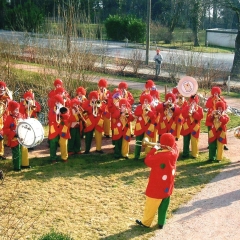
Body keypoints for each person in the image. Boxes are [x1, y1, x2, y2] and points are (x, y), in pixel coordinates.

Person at [136, 133, 179, 229]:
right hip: (168, 186)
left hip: (156, 187)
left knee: (151, 206)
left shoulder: (160, 156)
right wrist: (165, 145)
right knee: (164, 205)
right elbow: (175, 145)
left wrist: (154, 148)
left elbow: (147, 160)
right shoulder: (174, 153)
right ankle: (161, 222)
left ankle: (146, 223)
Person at [3, 101, 29, 171]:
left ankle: (24, 164)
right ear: (11, 110)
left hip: (21, 137)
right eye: (16, 110)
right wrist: (13, 133)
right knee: (16, 153)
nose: (17, 111)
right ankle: (17, 167)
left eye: (18, 109)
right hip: (14, 138)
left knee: (23, 150)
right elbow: (5, 129)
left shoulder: (20, 115)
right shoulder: (9, 118)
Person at [48, 94, 70, 163]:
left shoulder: (65, 108)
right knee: (53, 143)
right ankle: (53, 158)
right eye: (56, 101)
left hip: (63, 128)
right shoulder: (52, 110)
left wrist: (62, 113)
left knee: (63, 143)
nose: (57, 102)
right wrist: (55, 113)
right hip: (54, 128)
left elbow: (67, 117)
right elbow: (50, 118)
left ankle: (64, 157)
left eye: (59, 101)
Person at [205, 86, 229, 150]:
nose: (215, 94)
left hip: (220, 117)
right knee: (211, 131)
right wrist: (213, 99)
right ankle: (210, 144)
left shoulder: (221, 98)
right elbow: (207, 105)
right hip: (212, 117)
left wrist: (219, 99)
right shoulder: (210, 99)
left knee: (222, 130)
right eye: (214, 93)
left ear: (219, 93)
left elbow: (225, 106)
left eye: (217, 92)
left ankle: (223, 144)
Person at [181, 94, 203, 159]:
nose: (193, 103)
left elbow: (200, 117)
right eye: (192, 101)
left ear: (196, 102)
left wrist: (194, 112)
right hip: (187, 126)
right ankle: (185, 153)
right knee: (186, 140)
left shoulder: (199, 108)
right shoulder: (186, 107)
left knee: (194, 141)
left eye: (194, 102)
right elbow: (183, 115)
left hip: (195, 127)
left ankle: (194, 154)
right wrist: (188, 111)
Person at [0, 81, 12, 160]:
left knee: (2, 136)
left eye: (2, 89)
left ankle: (1, 153)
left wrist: (9, 97)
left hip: (4, 118)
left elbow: (11, 104)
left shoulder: (6, 97)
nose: (1, 90)